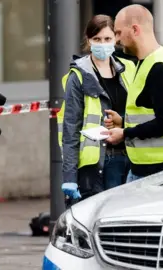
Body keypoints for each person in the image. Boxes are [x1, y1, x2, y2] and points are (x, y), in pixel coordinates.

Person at [103, 4, 163, 182]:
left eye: (119, 32)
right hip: (150, 170)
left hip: (162, 172)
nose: (116, 40)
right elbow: (152, 113)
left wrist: (125, 133)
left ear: (135, 29)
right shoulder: (146, 63)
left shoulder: (159, 68)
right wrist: (123, 122)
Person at [58, 15, 136, 201]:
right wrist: (69, 176)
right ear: (88, 40)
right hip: (98, 166)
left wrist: (122, 121)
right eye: (97, 39)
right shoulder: (78, 75)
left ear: (115, 39)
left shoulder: (129, 69)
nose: (102, 44)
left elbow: (138, 113)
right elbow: (70, 130)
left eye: (107, 39)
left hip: (130, 158)